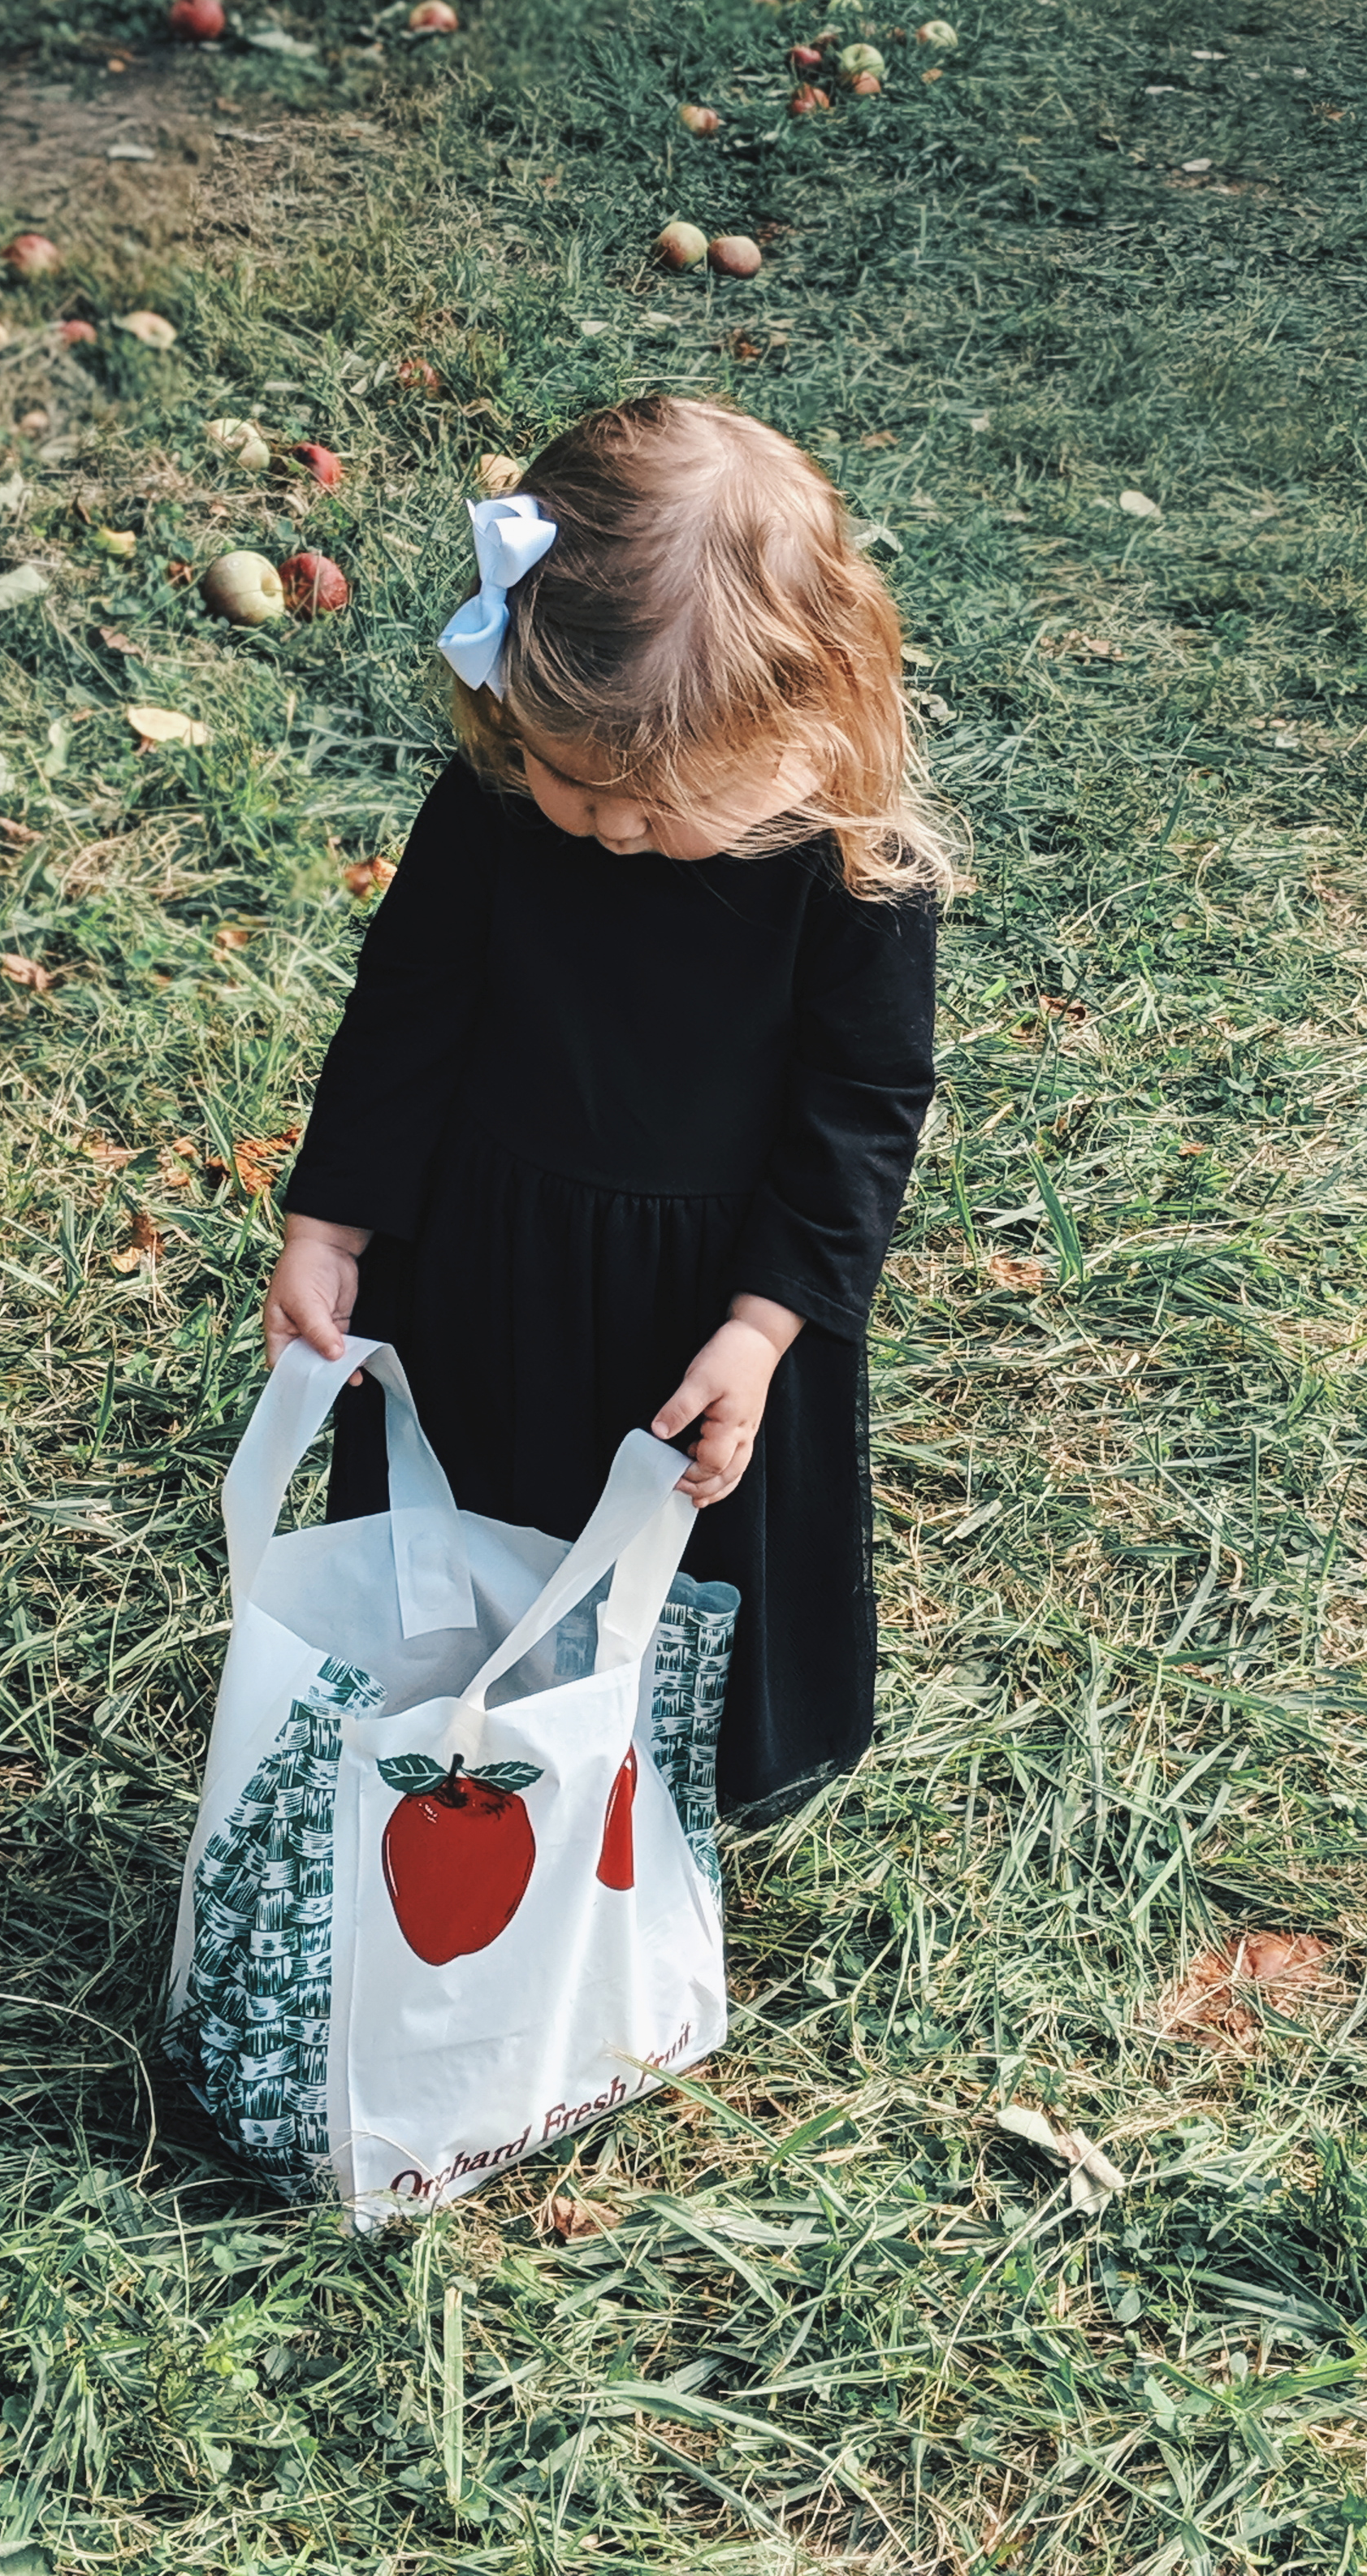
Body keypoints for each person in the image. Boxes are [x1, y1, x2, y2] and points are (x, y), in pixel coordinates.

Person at [259, 395, 951, 1819]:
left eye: (659, 800)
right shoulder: (501, 799)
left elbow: (862, 1102)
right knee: (477, 1519)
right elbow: (409, 1008)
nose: (615, 827)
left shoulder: (849, 868)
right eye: (580, 784)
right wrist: (331, 1219)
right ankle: (467, 1730)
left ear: (804, 714)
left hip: (704, 1294)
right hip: (485, 1254)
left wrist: (766, 1328)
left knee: (693, 1545)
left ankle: (686, 1771)